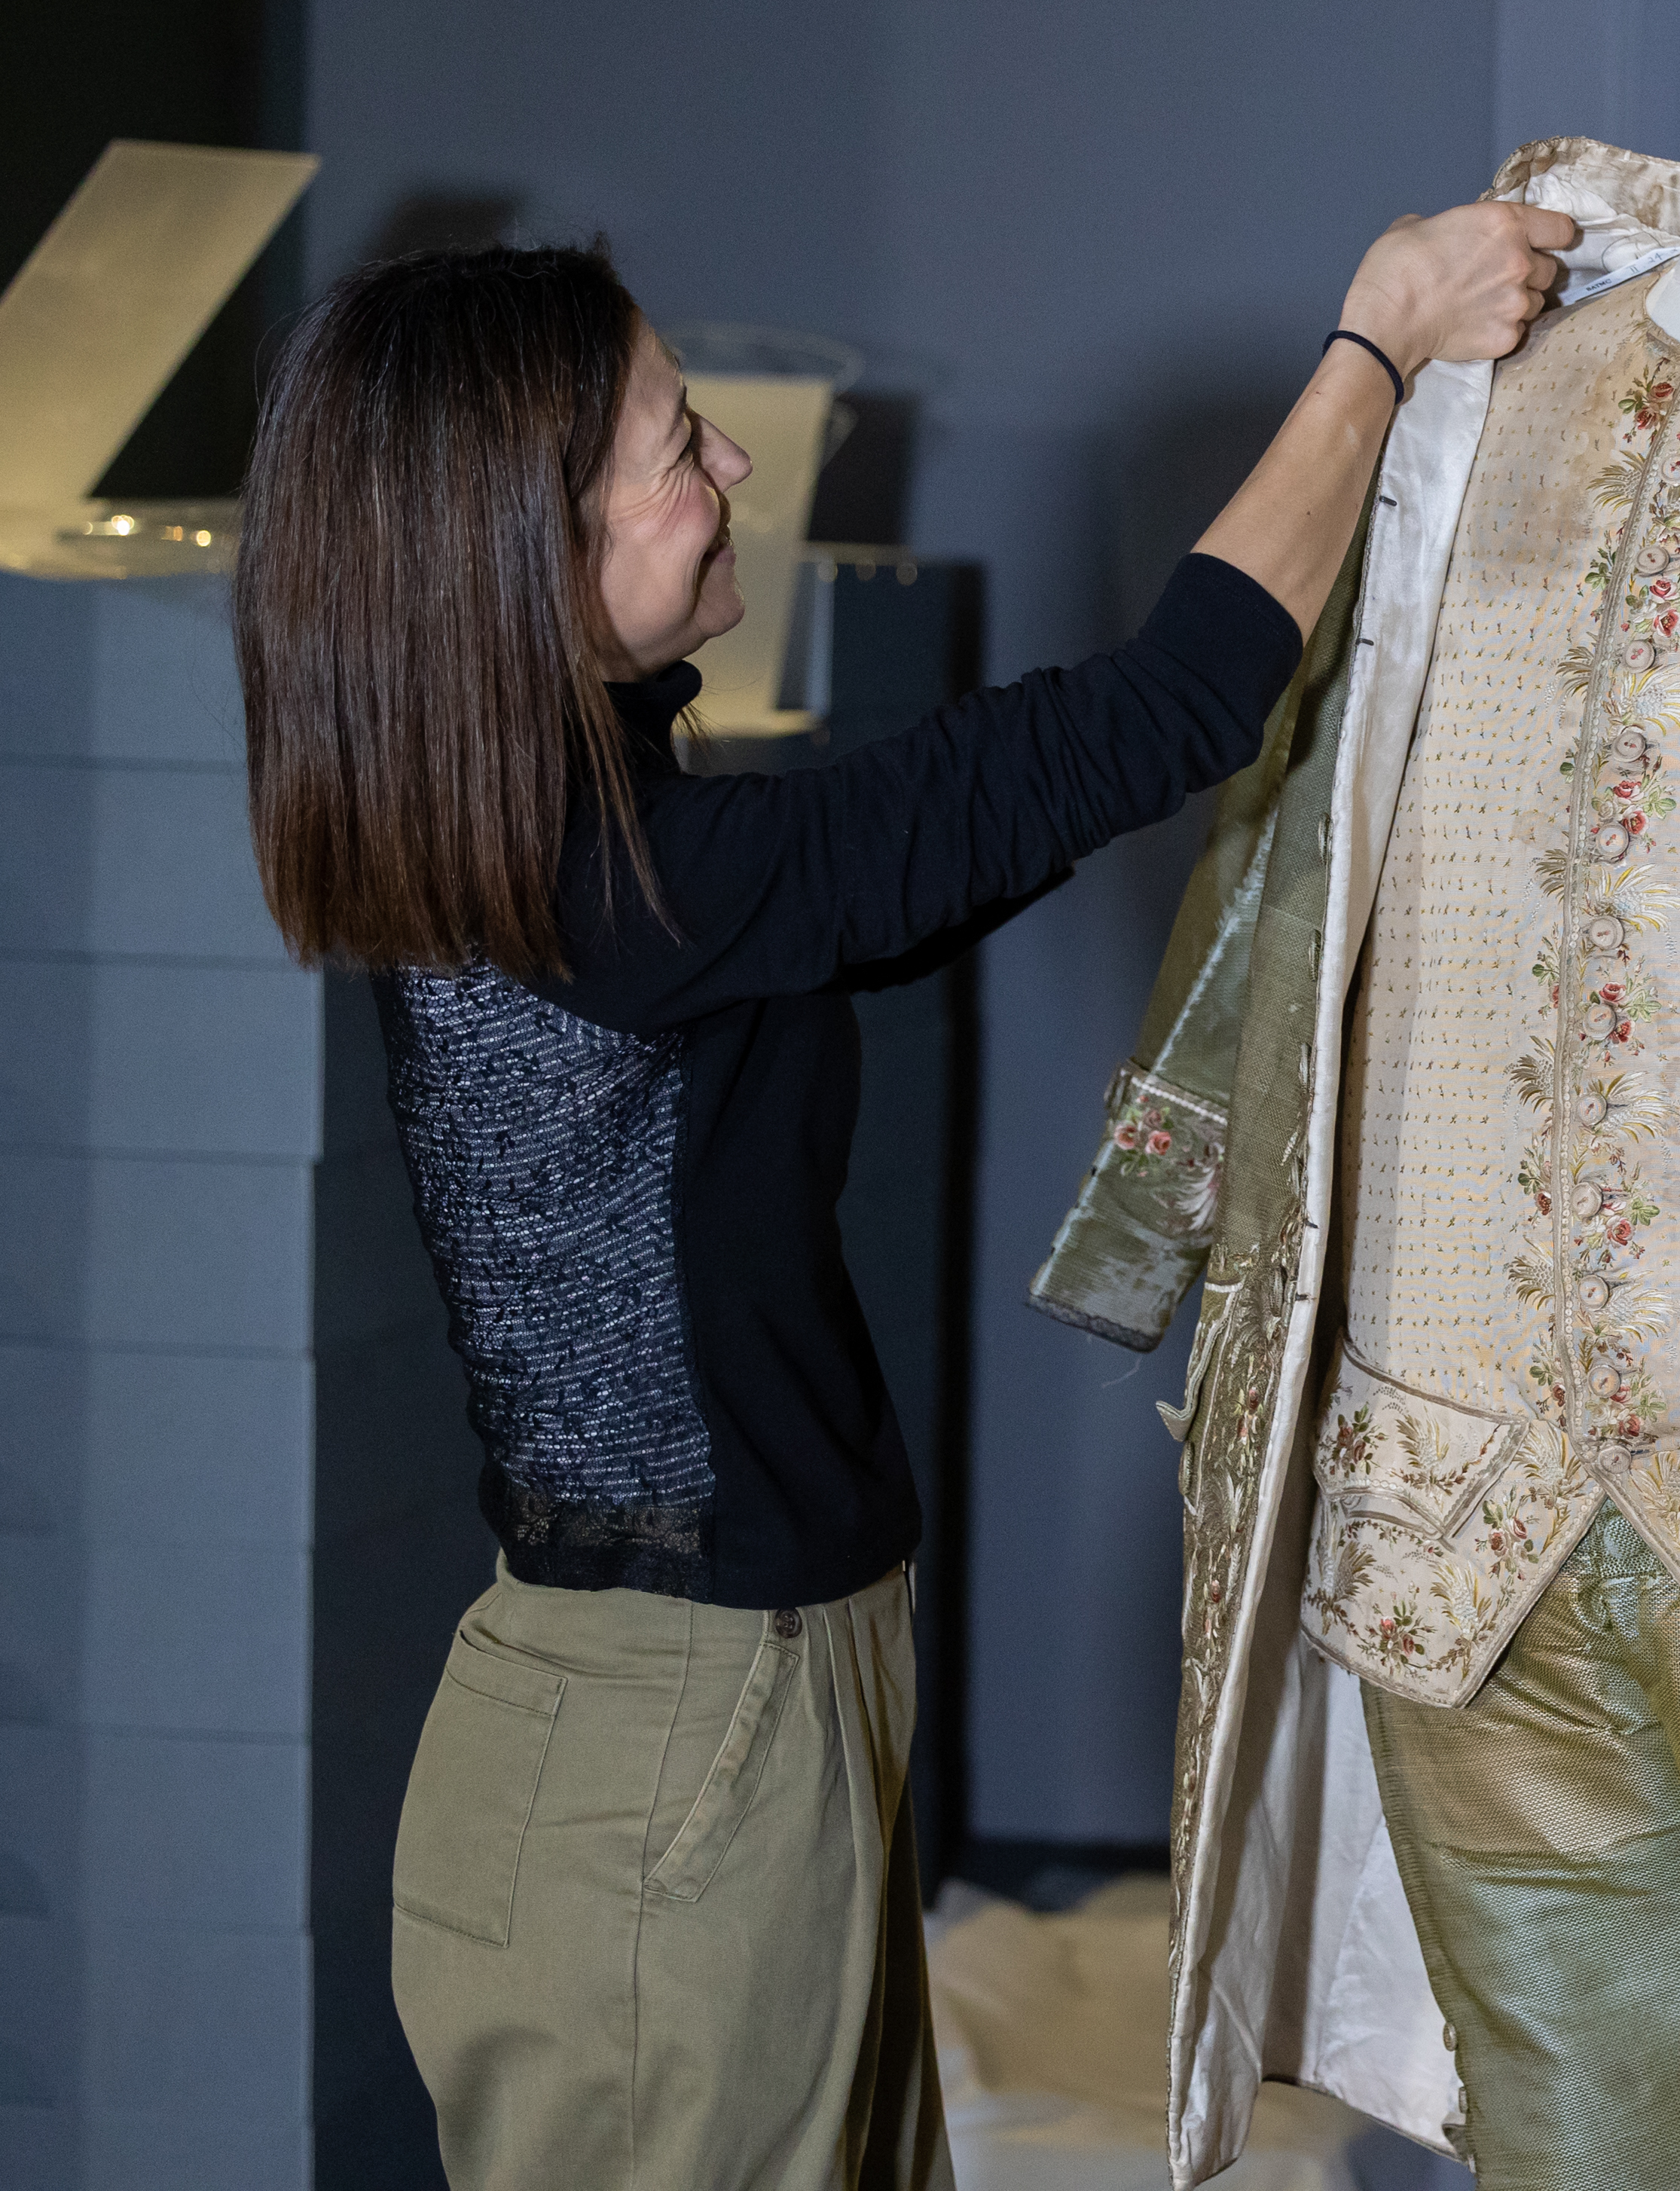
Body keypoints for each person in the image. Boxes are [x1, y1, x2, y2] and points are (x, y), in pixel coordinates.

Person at [233, 198, 1570, 2191]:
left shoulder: (583, 859)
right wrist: (1376, 344)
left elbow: (1005, 807)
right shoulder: (622, 898)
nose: (731, 472)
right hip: (669, 1756)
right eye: (678, 448)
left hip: (718, 1709)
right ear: (538, 558)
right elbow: (1156, 716)